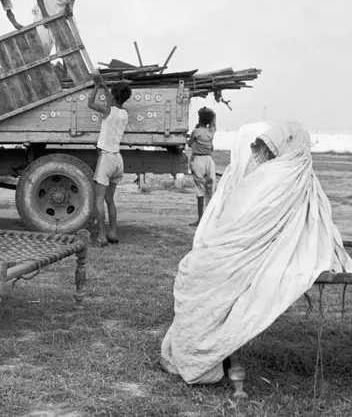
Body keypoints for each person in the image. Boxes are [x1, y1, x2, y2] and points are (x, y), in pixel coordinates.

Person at [160, 122, 352, 386]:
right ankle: (200, 349)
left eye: (268, 149)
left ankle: (201, 351)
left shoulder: (291, 178)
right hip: (232, 250)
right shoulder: (267, 176)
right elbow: (238, 221)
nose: (263, 156)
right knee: (196, 273)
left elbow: (303, 225)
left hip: (247, 253)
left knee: (201, 276)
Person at [87, 74, 131, 247]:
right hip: (118, 159)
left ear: (113, 96)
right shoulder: (124, 113)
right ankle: (113, 232)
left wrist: (97, 87)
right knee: (110, 199)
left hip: (106, 157)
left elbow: (90, 103)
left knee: (98, 198)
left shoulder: (108, 111)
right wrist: (104, 85)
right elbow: (112, 102)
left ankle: (101, 236)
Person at [187, 107, 217, 226]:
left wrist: (196, 128)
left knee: (200, 190)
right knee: (211, 189)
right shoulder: (211, 131)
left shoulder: (196, 132)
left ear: (199, 119)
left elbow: (190, 144)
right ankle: (209, 219)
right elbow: (214, 119)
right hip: (209, 160)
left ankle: (200, 219)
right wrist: (210, 112)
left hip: (198, 160)